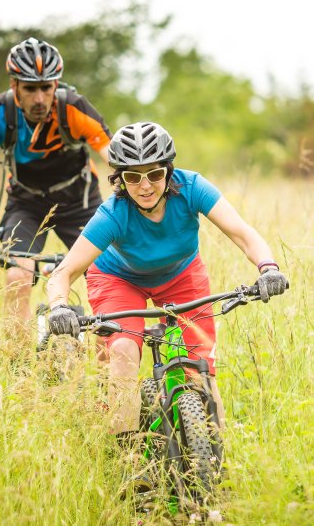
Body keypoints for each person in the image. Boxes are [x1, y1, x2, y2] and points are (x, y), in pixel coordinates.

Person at [46, 121, 288, 437]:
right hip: (119, 280)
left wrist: (268, 268)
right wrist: (59, 307)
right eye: (133, 177)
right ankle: (128, 462)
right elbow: (64, 272)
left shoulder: (192, 189)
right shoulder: (113, 213)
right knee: (122, 351)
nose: (145, 186)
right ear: (120, 179)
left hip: (181, 275)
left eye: (155, 174)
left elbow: (243, 234)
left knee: (200, 368)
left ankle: (215, 466)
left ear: (168, 171)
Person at [0, 37, 111, 321]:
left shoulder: (74, 107)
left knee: (105, 279)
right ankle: (18, 364)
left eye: (46, 87)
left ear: (56, 85)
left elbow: (117, 160)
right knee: (18, 275)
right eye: (29, 88)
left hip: (81, 202)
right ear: (14, 85)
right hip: (26, 204)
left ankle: (105, 366)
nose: (39, 99)